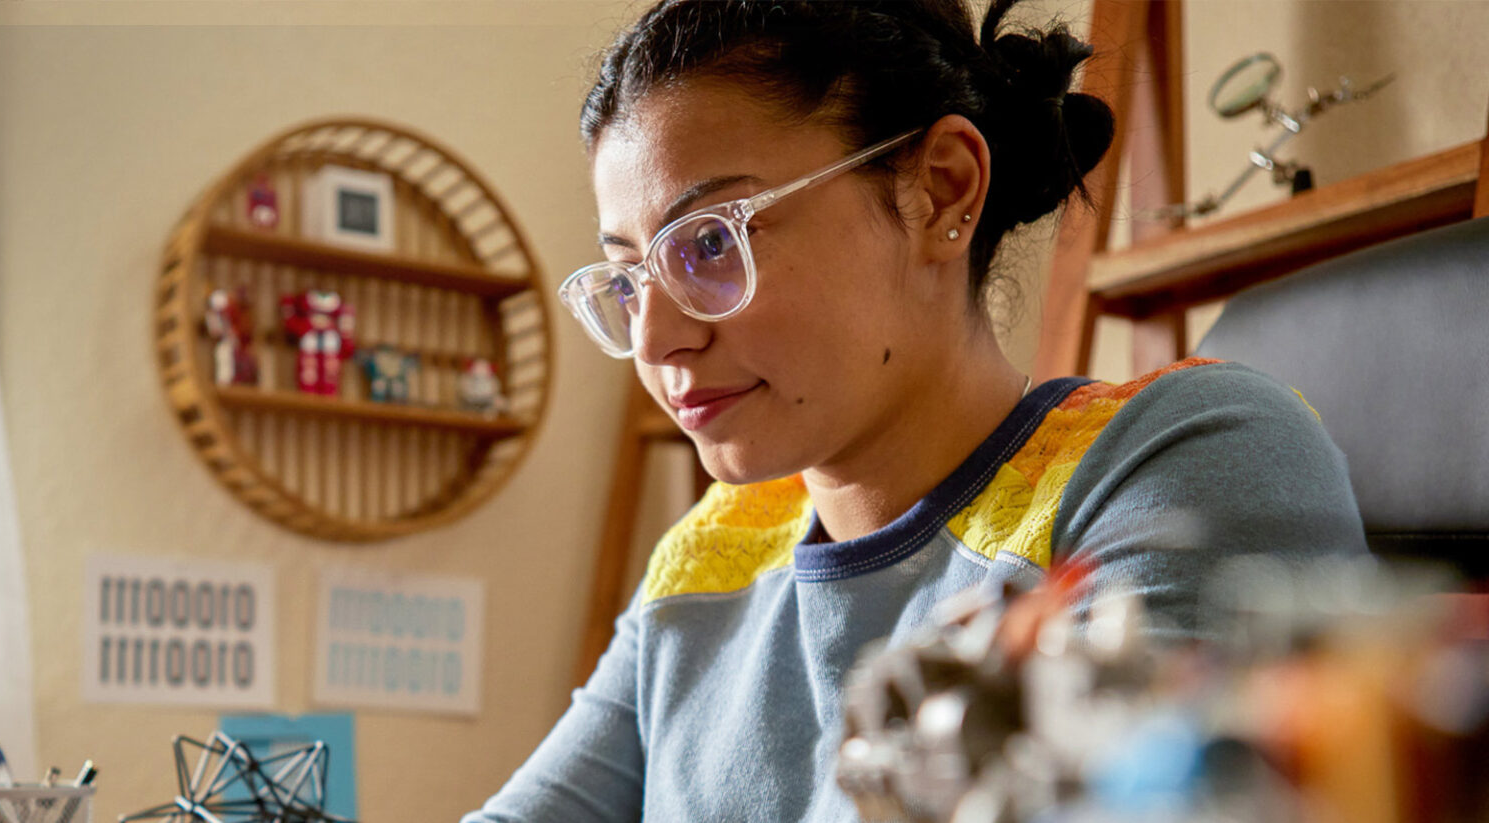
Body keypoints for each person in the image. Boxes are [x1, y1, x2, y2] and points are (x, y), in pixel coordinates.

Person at [462, 0, 1368, 821]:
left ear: (942, 189)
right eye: (628, 276)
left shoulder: (1186, 456)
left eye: (710, 241)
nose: (656, 339)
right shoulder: (712, 555)